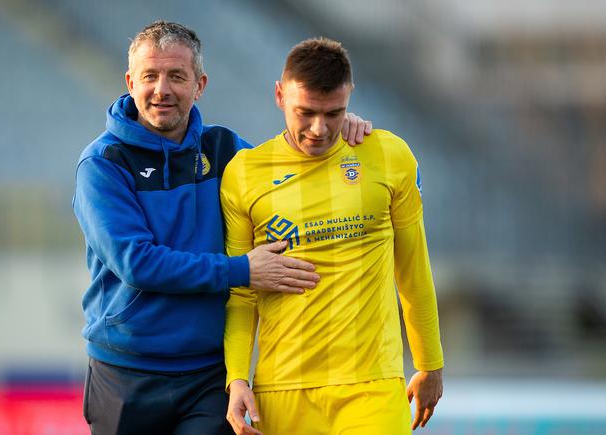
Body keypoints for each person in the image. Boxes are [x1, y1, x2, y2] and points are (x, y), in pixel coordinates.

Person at [73, 22, 372, 435]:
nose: (162, 89)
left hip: (208, 377)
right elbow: (136, 262)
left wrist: (339, 128)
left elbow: (302, 176)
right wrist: (241, 270)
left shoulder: (227, 151)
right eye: (150, 76)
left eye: (177, 76)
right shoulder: (103, 164)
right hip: (125, 372)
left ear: (200, 85)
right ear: (130, 82)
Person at [221, 37, 444, 435]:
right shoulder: (243, 174)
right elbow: (241, 292)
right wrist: (237, 377)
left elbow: (412, 271)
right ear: (279, 95)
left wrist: (430, 364)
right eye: (305, 112)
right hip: (282, 389)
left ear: (350, 98)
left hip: (372, 385)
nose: (319, 129)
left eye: (334, 113)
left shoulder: (389, 155)